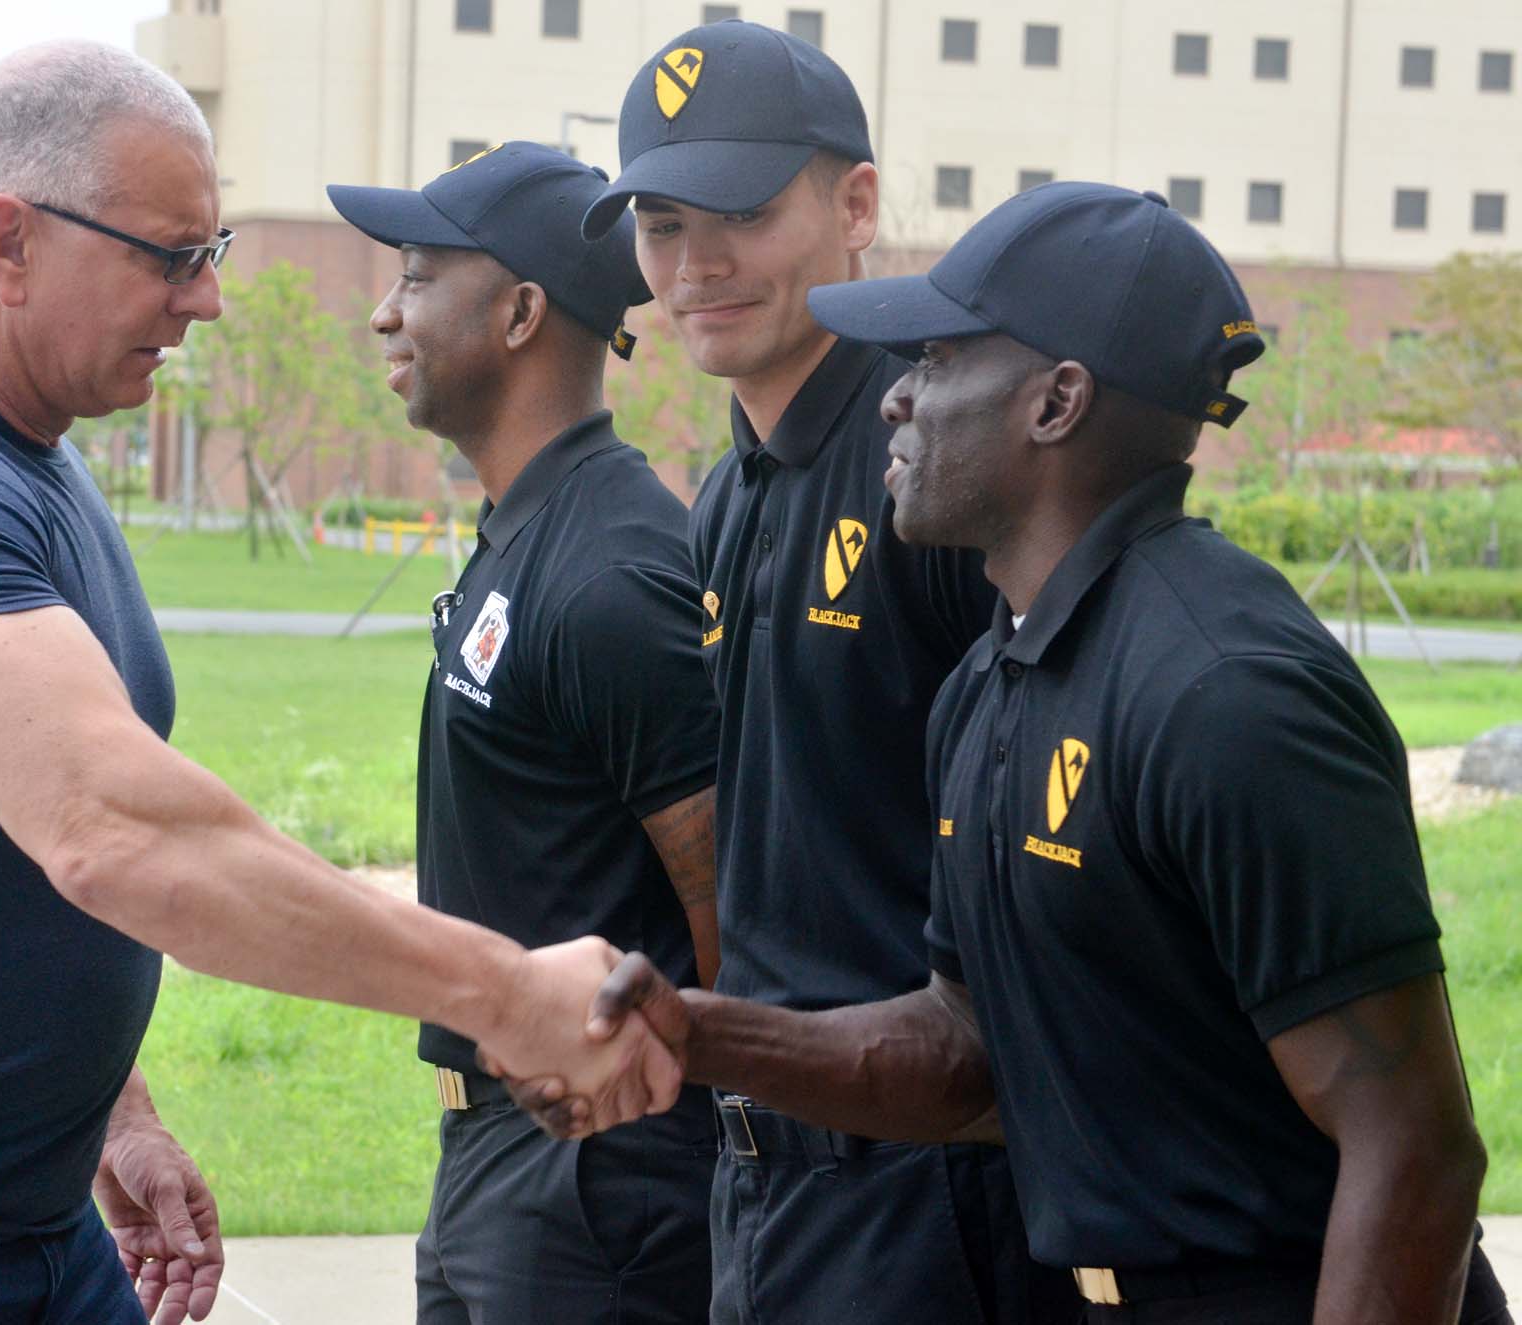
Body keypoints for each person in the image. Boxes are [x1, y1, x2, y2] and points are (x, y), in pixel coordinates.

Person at [0, 42, 677, 1325]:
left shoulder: (38, 465)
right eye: (168, 256)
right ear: (7, 242)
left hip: (25, 1220)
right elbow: (109, 824)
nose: (207, 302)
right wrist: (505, 991)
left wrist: (110, 1110)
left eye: (214, 252)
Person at [533, 181, 1513, 1324]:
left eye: (937, 358)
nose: (893, 398)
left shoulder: (1225, 695)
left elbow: (1414, 1151)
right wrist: (692, 1031)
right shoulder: (994, 679)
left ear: (1055, 402)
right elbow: (964, 1054)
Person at [573, 19, 1074, 1322]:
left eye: (739, 209)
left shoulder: (939, 462)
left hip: (937, 1187)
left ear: (857, 204)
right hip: (770, 1181)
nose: (696, 265)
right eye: (662, 224)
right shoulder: (727, 497)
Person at [328, 139, 723, 1324]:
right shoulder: (527, 528)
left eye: (413, 274)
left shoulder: (613, 570)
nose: (383, 314)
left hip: (597, 1179)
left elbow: (728, 919)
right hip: (497, 1164)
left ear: (517, 311)